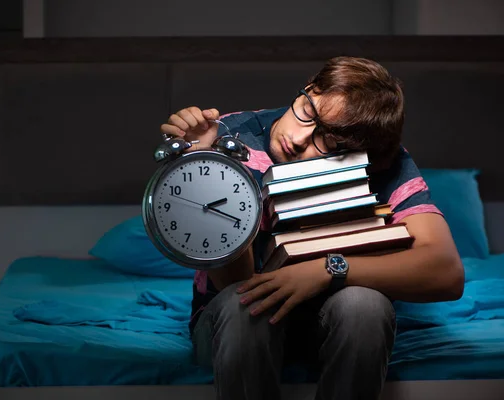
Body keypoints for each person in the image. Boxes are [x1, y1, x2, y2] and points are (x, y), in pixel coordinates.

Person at [159, 56, 465, 400]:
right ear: (310, 88)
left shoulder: (380, 161)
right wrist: (210, 162)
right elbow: (236, 284)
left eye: (330, 144)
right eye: (308, 110)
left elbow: (447, 272)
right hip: (233, 320)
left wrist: (328, 270)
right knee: (245, 306)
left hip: (335, 322)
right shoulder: (227, 135)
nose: (301, 138)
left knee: (366, 305)